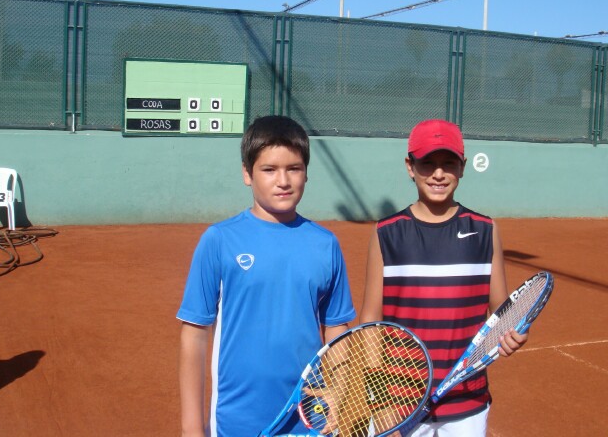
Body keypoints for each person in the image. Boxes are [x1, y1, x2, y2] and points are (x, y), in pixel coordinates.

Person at [177, 115, 356, 437]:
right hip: (237, 420)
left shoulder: (325, 244)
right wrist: (192, 427)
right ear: (247, 174)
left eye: (294, 168)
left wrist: (340, 394)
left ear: (306, 173)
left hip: (307, 416)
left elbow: (336, 329)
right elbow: (194, 335)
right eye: (269, 169)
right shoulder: (219, 240)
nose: (283, 180)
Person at [360, 118, 528, 437]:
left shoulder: (485, 231)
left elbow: (501, 315)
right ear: (410, 166)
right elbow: (371, 322)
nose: (438, 173)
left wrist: (512, 334)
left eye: (448, 163)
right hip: (399, 403)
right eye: (427, 163)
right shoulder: (386, 234)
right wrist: (378, 402)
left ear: (462, 167)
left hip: (467, 402)